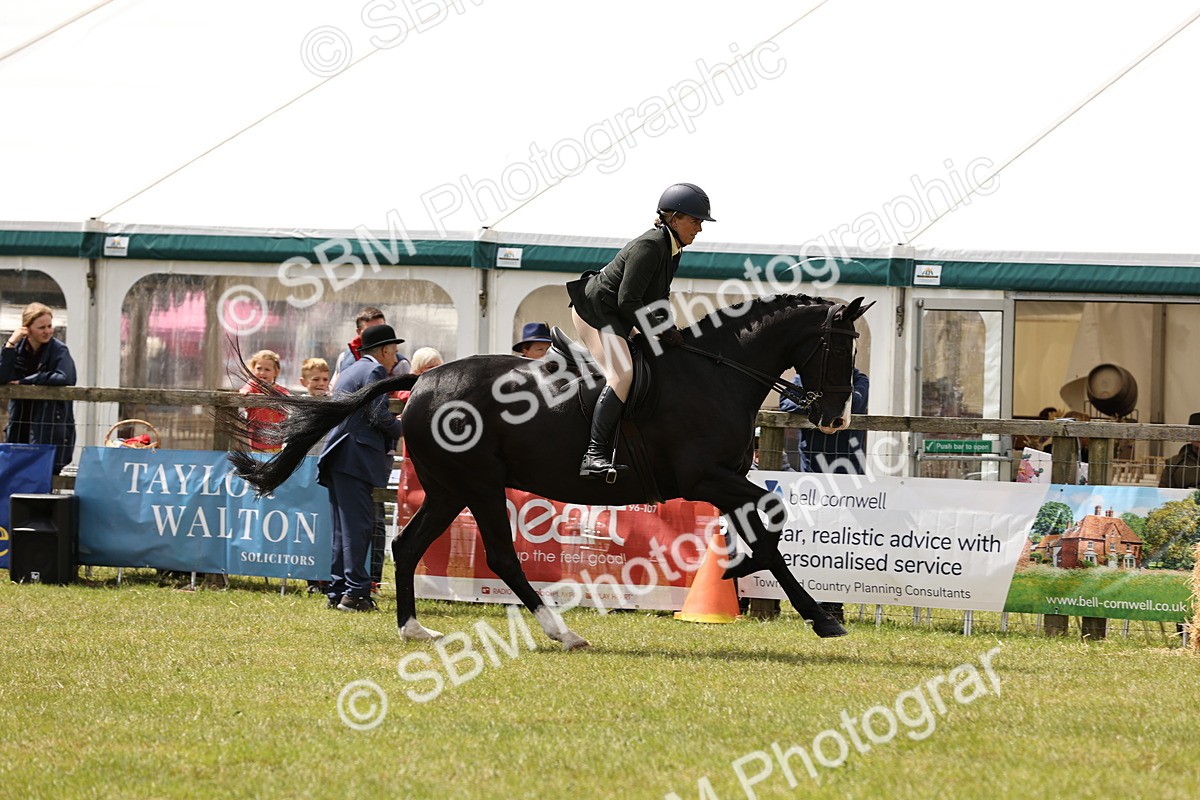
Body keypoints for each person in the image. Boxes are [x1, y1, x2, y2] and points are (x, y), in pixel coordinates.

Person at [565, 182, 714, 479]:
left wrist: (669, 328)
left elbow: (658, 297)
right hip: (596, 313)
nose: (699, 228)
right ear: (673, 218)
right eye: (695, 221)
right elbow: (628, 299)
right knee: (623, 375)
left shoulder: (673, 248)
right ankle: (593, 454)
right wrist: (658, 327)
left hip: (618, 316)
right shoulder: (650, 246)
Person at [319, 324, 405, 612]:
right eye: (393, 351)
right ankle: (355, 593)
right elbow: (379, 414)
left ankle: (339, 591)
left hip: (339, 454)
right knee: (358, 527)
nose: (395, 358)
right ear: (383, 350)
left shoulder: (350, 371)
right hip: (354, 456)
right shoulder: (374, 372)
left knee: (343, 530)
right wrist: (402, 427)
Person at [1, 302, 77, 474]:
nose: (48, 331)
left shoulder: (59, 350)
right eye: (41, 327)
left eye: (49, 326)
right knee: (15, 476)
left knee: (44, 478)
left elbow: (66, 377)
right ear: (27, 329)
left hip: (49, 424)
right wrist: (10, 344)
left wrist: (28, 381)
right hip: (20, 422)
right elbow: (3, 377)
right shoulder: (18, 349)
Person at [780, 367, 869, 474]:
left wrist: (817, 400)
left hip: (850, 466)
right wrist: (816, 407)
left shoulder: (858, 379)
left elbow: (854, 403)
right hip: (812, 464)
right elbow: (786, 402)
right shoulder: (807, 377)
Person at [331, 306, 410, 390]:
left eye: (381, 328)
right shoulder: (344, 358)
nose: (378, 335)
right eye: (371, 330)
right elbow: (332, 389)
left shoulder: (400, 363)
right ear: (358, 332)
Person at [239, 350, 289, 453]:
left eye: (267, 369)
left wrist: (287, 398)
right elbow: (246, 389)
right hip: (258, 437)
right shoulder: (252, 385)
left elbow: (287, 397)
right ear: (253, 369)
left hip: (276, 436)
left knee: (275, 456)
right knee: (258, 459)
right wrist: (244, 392)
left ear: (276, 372)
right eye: (258, 368)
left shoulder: (279, 389)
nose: (262, 372)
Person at [1159, 412, 1200, 489]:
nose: (1199, 436)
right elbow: (1163, 493)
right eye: (1195, 433)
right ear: (1188, 435)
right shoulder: (1173, 463)